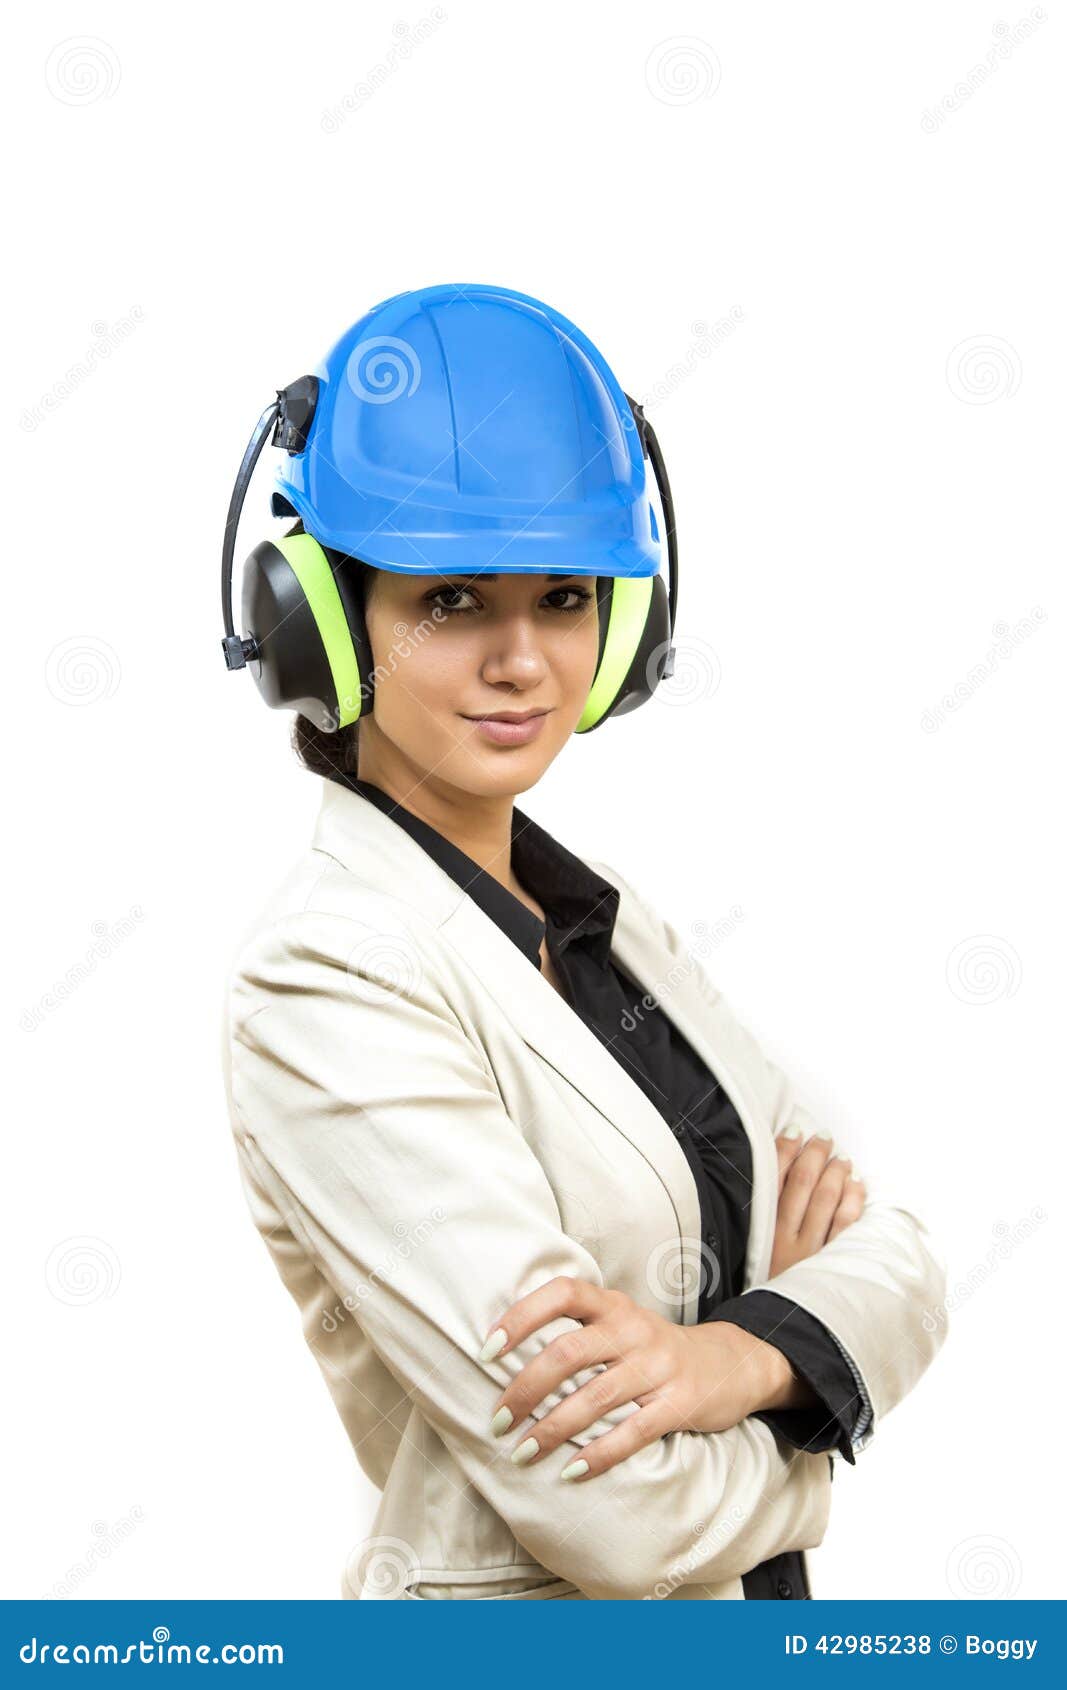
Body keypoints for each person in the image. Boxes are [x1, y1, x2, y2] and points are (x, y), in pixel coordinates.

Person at [220, 285, 948, 1600]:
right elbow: (606, 1512)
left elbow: (896, 1251)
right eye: (452, 600)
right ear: (323, 619)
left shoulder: (608, 916)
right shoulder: (325, 978)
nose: (522, 659)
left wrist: (733, 1361)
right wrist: (813, 1433)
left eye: (562, 595)